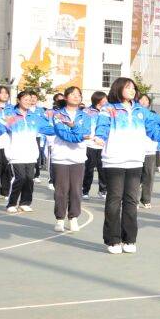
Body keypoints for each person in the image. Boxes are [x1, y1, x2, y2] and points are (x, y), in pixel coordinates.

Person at [94, 78, 160, 254]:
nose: (132, 90)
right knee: (114, 200)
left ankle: (129, 239)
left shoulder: (141, 111)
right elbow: (102, 127)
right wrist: (100, 136)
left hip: (135, 160)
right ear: (118, 89)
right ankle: (113, 240)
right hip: (114, 160)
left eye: (133, 88)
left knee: (131, 200)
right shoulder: (109, 109)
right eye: (128, 87)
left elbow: (153, 130)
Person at [2, 90, 61, 214]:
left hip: (31, 153)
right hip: (15, 154)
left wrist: (62, 128)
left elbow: (50, 129)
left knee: (29, 179)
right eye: (25, 99)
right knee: (20, 178)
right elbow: (0, 127)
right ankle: (11, 203)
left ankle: (25, 203)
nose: (28, 102)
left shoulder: (34, 117)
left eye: (30, 100)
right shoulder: (11, 116)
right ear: (19, 100)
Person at [49, 87, 93, 232]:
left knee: (76, 190)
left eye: (78, 95)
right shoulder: (58, 115)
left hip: (78, 158)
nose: (76, 97)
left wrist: (74, 129)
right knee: (61, 190)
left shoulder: (85, 116)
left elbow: (86, 132)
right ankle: (60, 219)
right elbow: (62, 134)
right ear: (66, 97)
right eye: (73, 94)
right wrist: (78, 134)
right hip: (60, 157)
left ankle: (73, 217)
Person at [136, 94, 160, 209]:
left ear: (149, 103)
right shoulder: (134, 115)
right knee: (135, 177)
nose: (144, 101)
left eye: (146, 100)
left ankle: (146, 199)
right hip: (136, 150)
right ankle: (133, 199)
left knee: (149, 176)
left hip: (150, 151)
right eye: (141, 100)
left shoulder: (153, 117)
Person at [80, 91, 108, 198]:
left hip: (103, 144)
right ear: (98, 100)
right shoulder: (86, 111)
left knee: (103, 169)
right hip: (90, 144)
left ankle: (103, 190)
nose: (106, 101)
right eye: (104, 99)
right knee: (88, 169)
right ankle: (85, 190)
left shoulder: (108, 111)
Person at [0, 85, 11, 198]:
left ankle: (5, 191)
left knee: (7, 168)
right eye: (2, 93)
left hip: (8, 143)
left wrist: (8, 125)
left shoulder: (11, 108)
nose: (5, 95)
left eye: (6, 93)